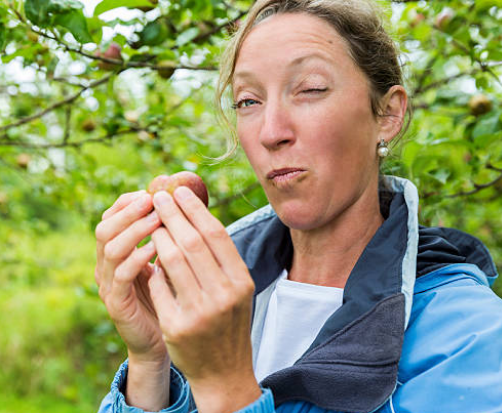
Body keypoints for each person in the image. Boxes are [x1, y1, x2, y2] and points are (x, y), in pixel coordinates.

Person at [94, 0, 502, 412]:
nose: (271, 132)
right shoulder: (210, 300)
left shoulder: (470, 337)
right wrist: (151, 362)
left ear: (387, 113)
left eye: (310, 89)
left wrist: (226, 386)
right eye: (248, 101)